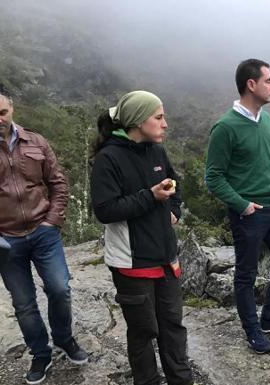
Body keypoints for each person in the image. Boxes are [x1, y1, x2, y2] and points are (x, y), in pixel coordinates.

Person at [0, 80, 88, 385]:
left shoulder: (36, 142)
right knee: (23, 302)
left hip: (43, 232)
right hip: (3, 239)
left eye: (2, 112)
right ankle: (40, 353)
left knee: (60, 289)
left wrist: (52, 220)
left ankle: (64, 339)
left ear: (12, 107)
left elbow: (58, 183)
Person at [90, 91, 192, 385]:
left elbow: (174, 182)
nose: (165, 124)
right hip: (131, 262)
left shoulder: (156, 150)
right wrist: (151, 196)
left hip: (166, 258)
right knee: (143, 332)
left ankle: (181, 380)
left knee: (173, 326)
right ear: (137, 121)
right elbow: (105, 210)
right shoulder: (109, 158)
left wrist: (173, 208)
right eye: (159, 117)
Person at [205, 59, 270, 354]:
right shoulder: (225, 127)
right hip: (249, 214)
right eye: (268, 80)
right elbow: (213, 177)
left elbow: (268, 162)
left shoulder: (267, 120)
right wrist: (242, 205)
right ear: (251, 84)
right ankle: (252, 330)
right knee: (246, 275)